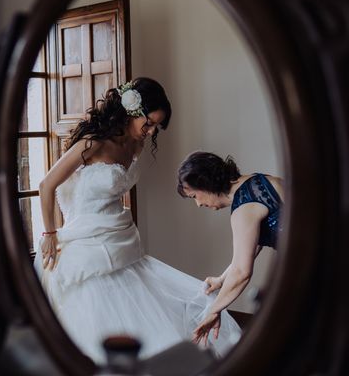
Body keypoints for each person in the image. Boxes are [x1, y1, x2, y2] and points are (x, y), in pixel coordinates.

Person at [34, 77, 241, 362]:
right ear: (130, 111)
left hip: (120, 239)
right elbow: (47, 185)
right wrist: (50, 234)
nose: (151, 131)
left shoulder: (135, 146)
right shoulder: (92, 144)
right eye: (149, 123)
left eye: (157, 126)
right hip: (85, 243)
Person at [176, 151, 283, 346]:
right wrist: (222, 279)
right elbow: (254, 244)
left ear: (206, 184)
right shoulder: (257, 182)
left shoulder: (244, 209)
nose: (198, 204)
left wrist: (213, 311)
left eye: (194, 196)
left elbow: (242, 272)